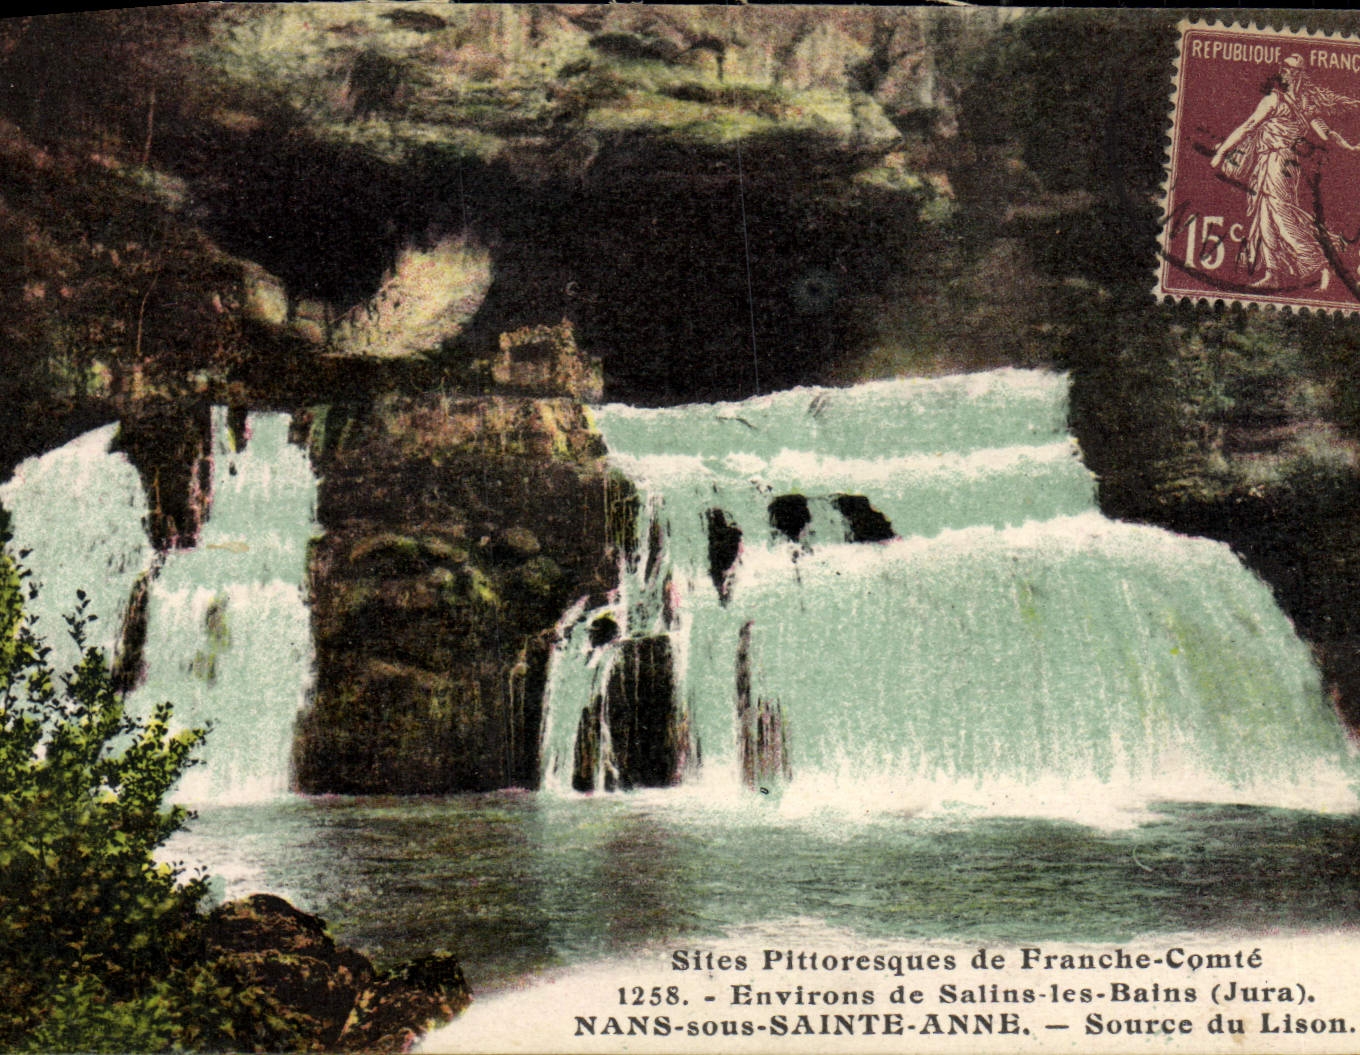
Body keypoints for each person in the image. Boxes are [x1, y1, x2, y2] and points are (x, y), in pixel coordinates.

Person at [1210, 54, 1360, 288]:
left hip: (1277, 162)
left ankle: (1320, 263)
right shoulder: (1294, 103)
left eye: (1289, 69)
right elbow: (1326, 133)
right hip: (1275, 162)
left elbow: (1249, 126)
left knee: (1281, 215)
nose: (1284, 71)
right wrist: (1349, 146)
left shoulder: (1278, 100)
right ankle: (1273, 273)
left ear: (1298, 74)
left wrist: (1221, 153)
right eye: (1284, 68)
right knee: (1265, 216)